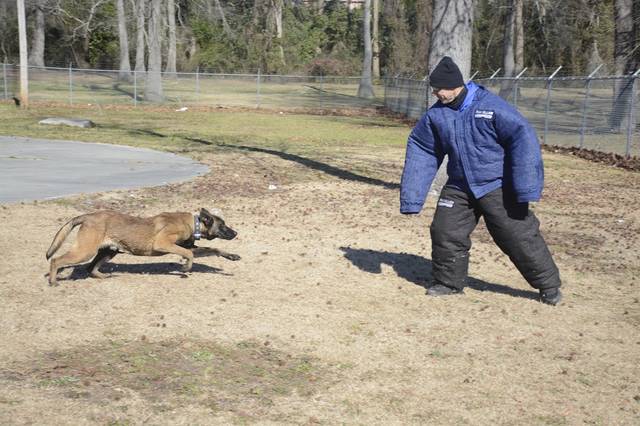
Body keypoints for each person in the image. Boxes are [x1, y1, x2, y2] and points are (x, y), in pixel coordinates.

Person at [399, 56, 562, 305]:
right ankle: (448, 283)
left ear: (455, 85)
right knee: (445, 230)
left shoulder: (490, 107)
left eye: (440, 89)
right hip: (459, 185)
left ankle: (549, 286)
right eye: (433, 89)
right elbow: (423, 148)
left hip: (496, 184)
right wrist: (412, 198)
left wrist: (525, 186)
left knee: (517, 236)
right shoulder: (436, 115)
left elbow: (523, 137)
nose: (437, 94)